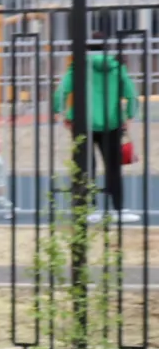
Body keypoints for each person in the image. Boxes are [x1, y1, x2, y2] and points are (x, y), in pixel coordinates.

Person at [55, 38, 142, 221]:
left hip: (83, 122)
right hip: (111, 122)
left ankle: (89, 208)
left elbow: (62, 90)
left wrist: (59, 111)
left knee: (86, 167)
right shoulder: (117, 66)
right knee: (113, 167)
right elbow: (131, 95)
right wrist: (129, 115)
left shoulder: (79, 65)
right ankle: (118, 208)